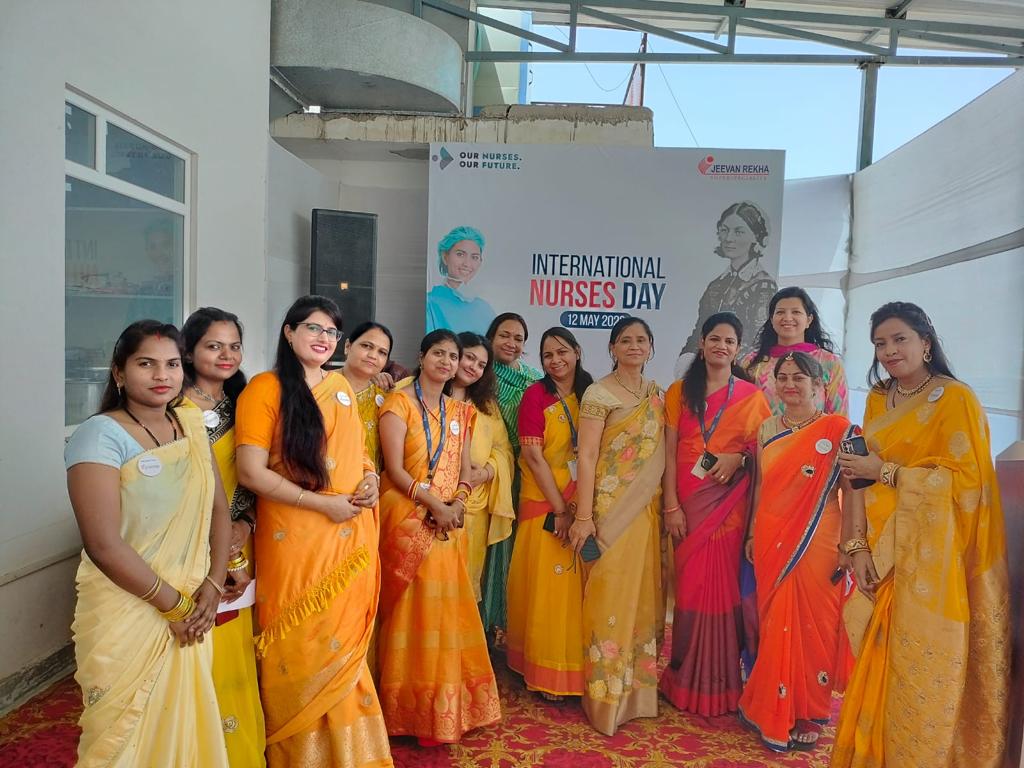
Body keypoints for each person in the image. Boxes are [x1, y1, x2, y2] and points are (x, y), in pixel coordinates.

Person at [831, 302, 1009, 768]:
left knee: (919, 669)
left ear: (925, 343)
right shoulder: (878, 398)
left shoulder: (955, 399)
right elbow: (858, 477)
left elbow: (967, 486)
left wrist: (887, 471)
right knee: (878, 665)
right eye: (880, 344)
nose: (889, 351)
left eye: (899, 339)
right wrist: (856, 547)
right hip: (879, 553)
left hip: (931, 564)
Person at [65, 320, 231, 767]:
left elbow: (218, 509)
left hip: (193, 605)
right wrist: (174, 607)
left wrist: (213, 586)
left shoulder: (190, 424)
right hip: (131, 608)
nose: (162, 375)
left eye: (173, 364)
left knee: (184, 727)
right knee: (122, 739)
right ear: (119, 372)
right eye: (146, 364)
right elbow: (103, 545)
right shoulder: (99, 435)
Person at [235, 295, 392, 767]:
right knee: (301, 642)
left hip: (349, 534)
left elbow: (359, 453)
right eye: (313, 328)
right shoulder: (265, 388)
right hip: (296, 534)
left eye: (331, 331)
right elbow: (251, 472)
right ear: (289, 332)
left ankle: (350, 754)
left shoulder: (340, 386)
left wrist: (370, 478)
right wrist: (322, 504)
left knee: (343, 640)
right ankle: (298, 750)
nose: (324, 339)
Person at [375, 330, 501, 745]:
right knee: (411, 614)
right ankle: (405, 710)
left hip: (448, 524)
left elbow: (465, 469)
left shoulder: (461, 412)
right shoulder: (398, 404)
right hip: (407, 517)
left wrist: (458, 502)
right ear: (421, 356)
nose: (447, 362)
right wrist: (435, 505)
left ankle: (442, 711)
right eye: (439, 354)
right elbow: (395, 470)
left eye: (453, 356)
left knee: (445, 613)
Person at [736, 351, 856, 753]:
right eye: (783, 377)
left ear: (819, 385)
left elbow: (854, 491)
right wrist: (752, 532)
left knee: (817, 623)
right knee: (775, 623)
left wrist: (851, 543)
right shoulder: (768, 428)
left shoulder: (840, 429)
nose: (789, 384)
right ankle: (770, 706)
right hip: (772, 536)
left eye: (799, 378)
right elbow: (761, 485)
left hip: (820, 540)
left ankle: (808, 711)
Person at [659, 312, 771, 716]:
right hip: (687, 504)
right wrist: (670, 505)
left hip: (729, 506)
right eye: (715, 339)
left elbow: (763, 455)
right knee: (689, 589)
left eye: (729, 341)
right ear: (702, 344)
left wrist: (739, 458)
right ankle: (684, 676)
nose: (721, 346)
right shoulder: (679, 392)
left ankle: (720, 684)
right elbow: (668, 451)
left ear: (737, 349)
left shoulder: (752, 397)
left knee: (723, 588)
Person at [570, 317, 666, 735]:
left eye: (641, 340)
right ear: (612, 348)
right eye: (625, 340)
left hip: (645, 510)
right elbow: (587, 456)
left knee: (641, 597)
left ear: (651, 347)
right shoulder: (598, 393)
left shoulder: (658, 395)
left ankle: (637, 694)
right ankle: (604, 697)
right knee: (608, 596)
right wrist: (584, 516)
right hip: (609, 511)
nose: (633, 346)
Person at [181, 307, 266, 767]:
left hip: (240, 545)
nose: (226, 355)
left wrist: (244, 525)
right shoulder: (172, 408)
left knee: (233, 650)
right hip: (185, 548)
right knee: (190, 644)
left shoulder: (246, 405)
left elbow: (259, 477)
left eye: (234, 346)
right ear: (189, 350)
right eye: (214, 346)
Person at [506, 327, 593, 701]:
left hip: (584, 504)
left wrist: (582, 506)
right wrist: (560, 508)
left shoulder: (591, 394)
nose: (555, 360)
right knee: (551, 590)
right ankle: (546, 670)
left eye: (562, 352)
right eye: (547, 355)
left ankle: (580, 669)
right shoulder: (535, 395)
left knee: (581, 589)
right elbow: (532, 455)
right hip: (545, 503)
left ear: (577, 351)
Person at [481, 312, 543, 639]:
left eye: (518, 339)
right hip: (491, 475)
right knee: (491, 549)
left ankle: (511, 626)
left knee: (517, 550)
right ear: (491, 338)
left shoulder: (535, 378)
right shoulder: (480, 374)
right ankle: (484, 624)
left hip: (528, 474)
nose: (511, 343)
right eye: (504, 335)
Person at [675, 201, 778, 377]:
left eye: (739, 231)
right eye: (724, 230)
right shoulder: (716, 285)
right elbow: (699, 331)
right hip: (705, 375)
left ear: (755, 236)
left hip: (740, 376)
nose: (729, 238)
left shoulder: (763, 285)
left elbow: (758, 340)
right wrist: (686, 366)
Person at [451, 332, 515, 607]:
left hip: (473, 508)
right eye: (469, 358)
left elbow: (504, 450)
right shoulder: (421, 391)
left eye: (481, 365)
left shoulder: (487, 406)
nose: (473, 367)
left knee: (465, 585)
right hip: (426, 503)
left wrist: (485, 473)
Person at [743, 286, 848, 415]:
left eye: (796, 312)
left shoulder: (829, 362)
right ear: (771, 320)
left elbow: (840, 417)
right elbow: (742, 411)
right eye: (780, 312)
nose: (787, 318)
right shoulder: (752, 362)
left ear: (809, 320)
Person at [340, 321, 394, 469]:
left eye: (382, 352)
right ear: (347, 346)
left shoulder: (386, 399)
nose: (373, 356)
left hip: (371, 481)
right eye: (366, 346)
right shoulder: (321, 384)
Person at [425, 226, 495, 335]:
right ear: (445, 257)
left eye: (474, 257)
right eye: (460, 254)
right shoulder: (430, 303)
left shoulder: (485, 309)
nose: (467, 263)